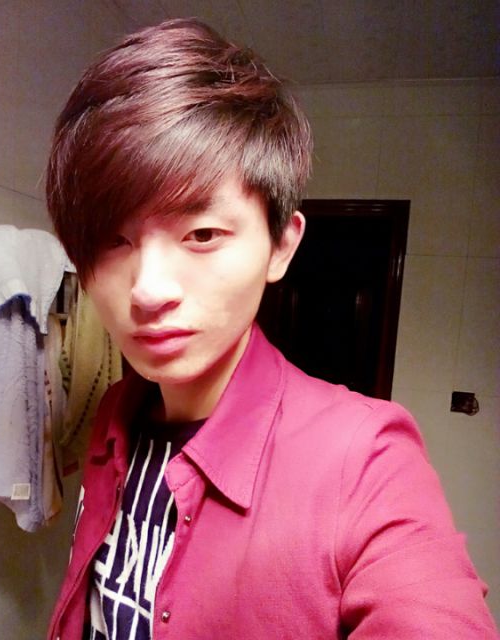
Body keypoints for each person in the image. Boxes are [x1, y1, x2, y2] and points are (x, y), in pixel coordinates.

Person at [44, 18, 498, 640]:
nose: (147, 290)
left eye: (202, 234)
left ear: (282, 246)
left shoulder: (366, 462)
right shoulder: (118, 411)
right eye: (112, 241)